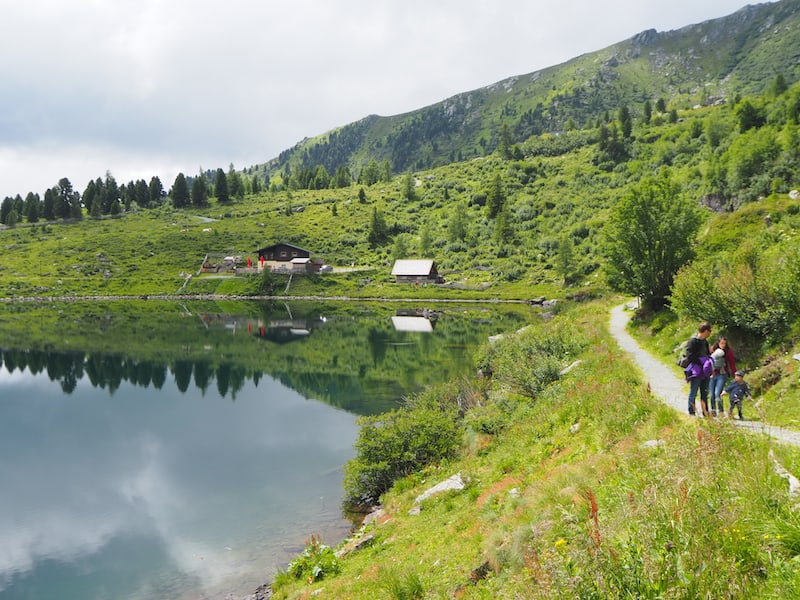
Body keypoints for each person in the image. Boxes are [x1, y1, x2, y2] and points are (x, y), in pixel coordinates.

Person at [684, 322, 713, 416]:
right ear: (705, 331)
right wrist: (701, 362)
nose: (710, 333)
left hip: (705, 371)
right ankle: (691, 411)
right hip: (696, 370)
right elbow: (689, 356)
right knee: (694, 391)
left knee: (704, 392)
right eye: (709, 331)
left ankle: (705, 411)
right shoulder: (693, 341)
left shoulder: (705, 342)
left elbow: (707, 354)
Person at [708, 336, 736, 416]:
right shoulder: (713, 350)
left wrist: (735, 375)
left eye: (725, 344)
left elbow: (732, 363)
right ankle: (713, 410)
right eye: (721, 343)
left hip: (722, 375)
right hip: (712, 374)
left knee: (718, 393)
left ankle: (721, 411)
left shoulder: (728, 351)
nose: (723, 345)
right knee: (712, 394)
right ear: (718, 343)